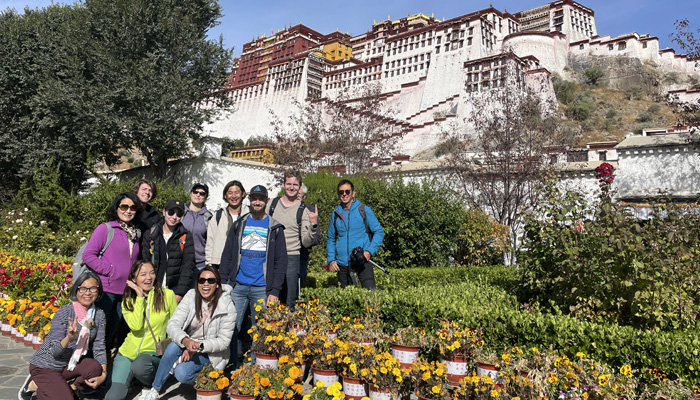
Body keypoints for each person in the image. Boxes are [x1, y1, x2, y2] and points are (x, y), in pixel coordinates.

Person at [142, 267, 236, 400]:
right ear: (197, 283)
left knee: (182, 373)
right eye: (202, 280)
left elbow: (224, 341)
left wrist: (197, 345)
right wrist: (186, 341)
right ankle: (155, 389)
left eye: (210, 281)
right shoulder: (191, 295)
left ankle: (213, 383)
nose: (206, 284)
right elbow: (173, 324)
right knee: (173, 346)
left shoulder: (227, 305)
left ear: (217, 284)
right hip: (188, 343)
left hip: (211, 354)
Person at [219, 184, 287, 368]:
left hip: (262, 288)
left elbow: (281, 262)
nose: (257, 202)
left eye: (261, 199)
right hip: (238, 286)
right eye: (254, 198)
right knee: (231, 327)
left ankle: (256, 366)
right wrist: (224, 284)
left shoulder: (275, 228)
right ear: (249, 199)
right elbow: (227, 256)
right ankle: (231, 364)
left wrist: (274, 291)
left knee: (260, 329)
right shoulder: (239, 225)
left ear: (266, 201)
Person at [20, 271, 108, 400]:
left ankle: (64, 388)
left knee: (94, 367)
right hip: (46, 365)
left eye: (93, 288)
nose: (88, 293)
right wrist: (69, 337)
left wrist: (104, 374)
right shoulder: (65, 312)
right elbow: (55, 351)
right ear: (76, 290)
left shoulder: (99, 315)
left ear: (98, 291)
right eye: (83, 288)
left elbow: (99, 346)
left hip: (69, 365)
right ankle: (38, 384)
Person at [104, 261, 177, 400]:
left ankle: (149, 381)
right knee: (112, 397)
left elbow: (175, 326)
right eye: (143, 274)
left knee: (140, 366)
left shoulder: (168, 295)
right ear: (133, 279)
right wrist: (139, 298)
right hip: (127, 354)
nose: (148, 277)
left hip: (152, 355)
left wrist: (170, 355)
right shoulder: (128, 299)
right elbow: (136, 326)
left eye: (152, 273)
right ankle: (131, 380)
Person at [83, 192, 142, 349]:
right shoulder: (106, 229)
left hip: (125, 292)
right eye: (124, 206)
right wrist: (110, 271)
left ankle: (102, 368)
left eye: (133, 207)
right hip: (106, 290)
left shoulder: (136, 233)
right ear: (117, 208)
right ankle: (86, 367)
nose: (128, 210)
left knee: (110, 333)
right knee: (96, 332)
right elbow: (88, 255)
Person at [266, 170, 318, 307]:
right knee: (270, 296)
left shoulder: (303, 210)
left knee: (291, 300)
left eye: (295, 185)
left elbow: (306, 242)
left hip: (292, 256)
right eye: (288, 184)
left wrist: (313, 225)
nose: (291, 187)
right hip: (272, 256)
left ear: (299, 187)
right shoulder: (271, 205)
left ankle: (290, 326)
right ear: (283, 184)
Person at [326, 179, 385, 289]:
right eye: (341, 192)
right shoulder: (335, 214)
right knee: (345, 302)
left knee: (370, 297)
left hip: (362, 261)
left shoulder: (363, 210)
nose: (344, 194)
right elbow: (330, 238)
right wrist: (331, 259)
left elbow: (379, 232)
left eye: (347, 191)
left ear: (353, 193)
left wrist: (369, 251)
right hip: (342, 265)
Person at [142, 199, 195, 303]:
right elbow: (145, 262)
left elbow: (188, 266)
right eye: (171, 212)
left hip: (174, 291)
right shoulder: (151, 235)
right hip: (153, 288)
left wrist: (179, 293)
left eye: (179, 214)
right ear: (164, 212)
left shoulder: (185, 236)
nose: (174, 217)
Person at [205, 180, 249, 269]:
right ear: (225, 196)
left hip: (243, 263)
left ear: (243, 194)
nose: (233, 196)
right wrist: (209, 264)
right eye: (230, 193)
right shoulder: (218, 215)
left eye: (237, 192)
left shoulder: (250, 214)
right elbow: (210, 241)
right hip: (220, 263)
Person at [182, 183, 212, 273]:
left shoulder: (209, 217)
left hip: (200, 265)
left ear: (205, 197)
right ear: (191, 193)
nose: (198, 195)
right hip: (180, 262)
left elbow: (210, 242)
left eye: (202, 193)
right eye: (195, 192)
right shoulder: (181, 213)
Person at [297, 182, 322, 290]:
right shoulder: (282, 208)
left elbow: (317, 237)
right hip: (283, 257)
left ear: (304, 196)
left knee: (298, 289)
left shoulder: (310, 211)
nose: (296, 195)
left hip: (301, 256)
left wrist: (304, 239)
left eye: (299, 193)